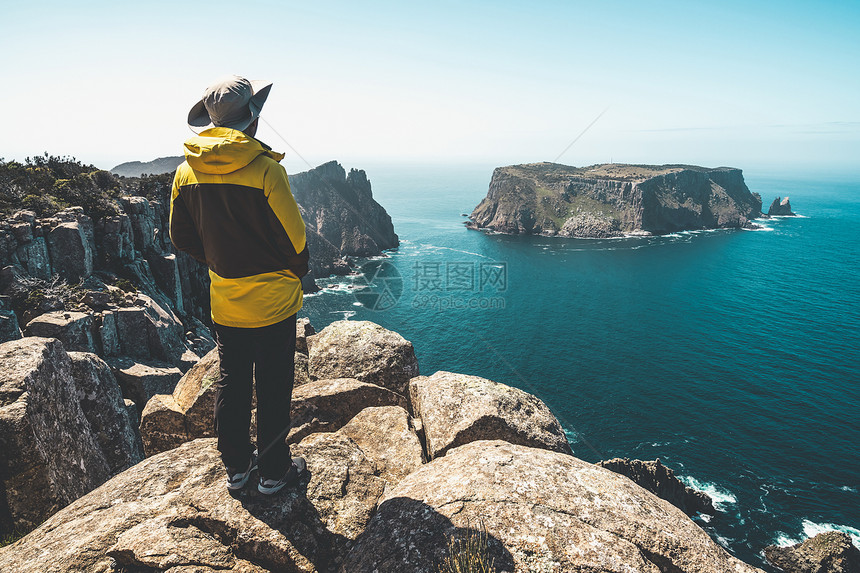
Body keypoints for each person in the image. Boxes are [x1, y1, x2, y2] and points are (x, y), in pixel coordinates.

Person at [169, 75, 309, 495]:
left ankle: (236, 467)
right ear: (252, 120)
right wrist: (291, 271)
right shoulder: (267, 170)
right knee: (273, 383)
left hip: (226, 302)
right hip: (273, 303)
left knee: (232, 380)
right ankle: (273, 472)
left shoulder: (183, 173)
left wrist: (220, 263)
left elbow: (181, 238)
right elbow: (296, 243)